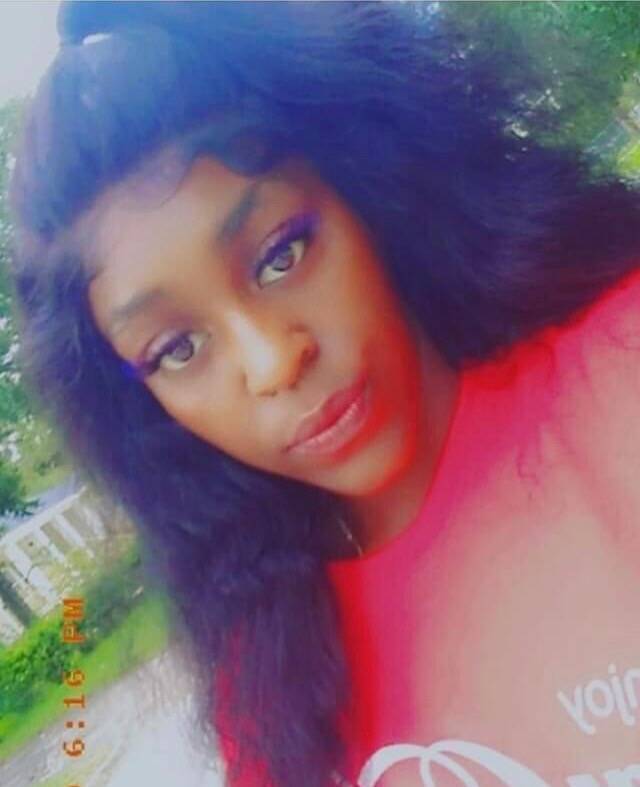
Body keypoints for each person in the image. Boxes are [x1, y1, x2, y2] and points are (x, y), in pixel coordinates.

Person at [9, 2, 640, 786]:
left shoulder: (621, 373)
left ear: (366, 188)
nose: (274, 361)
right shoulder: (268, 687)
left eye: (282, 254)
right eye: (177, 349)